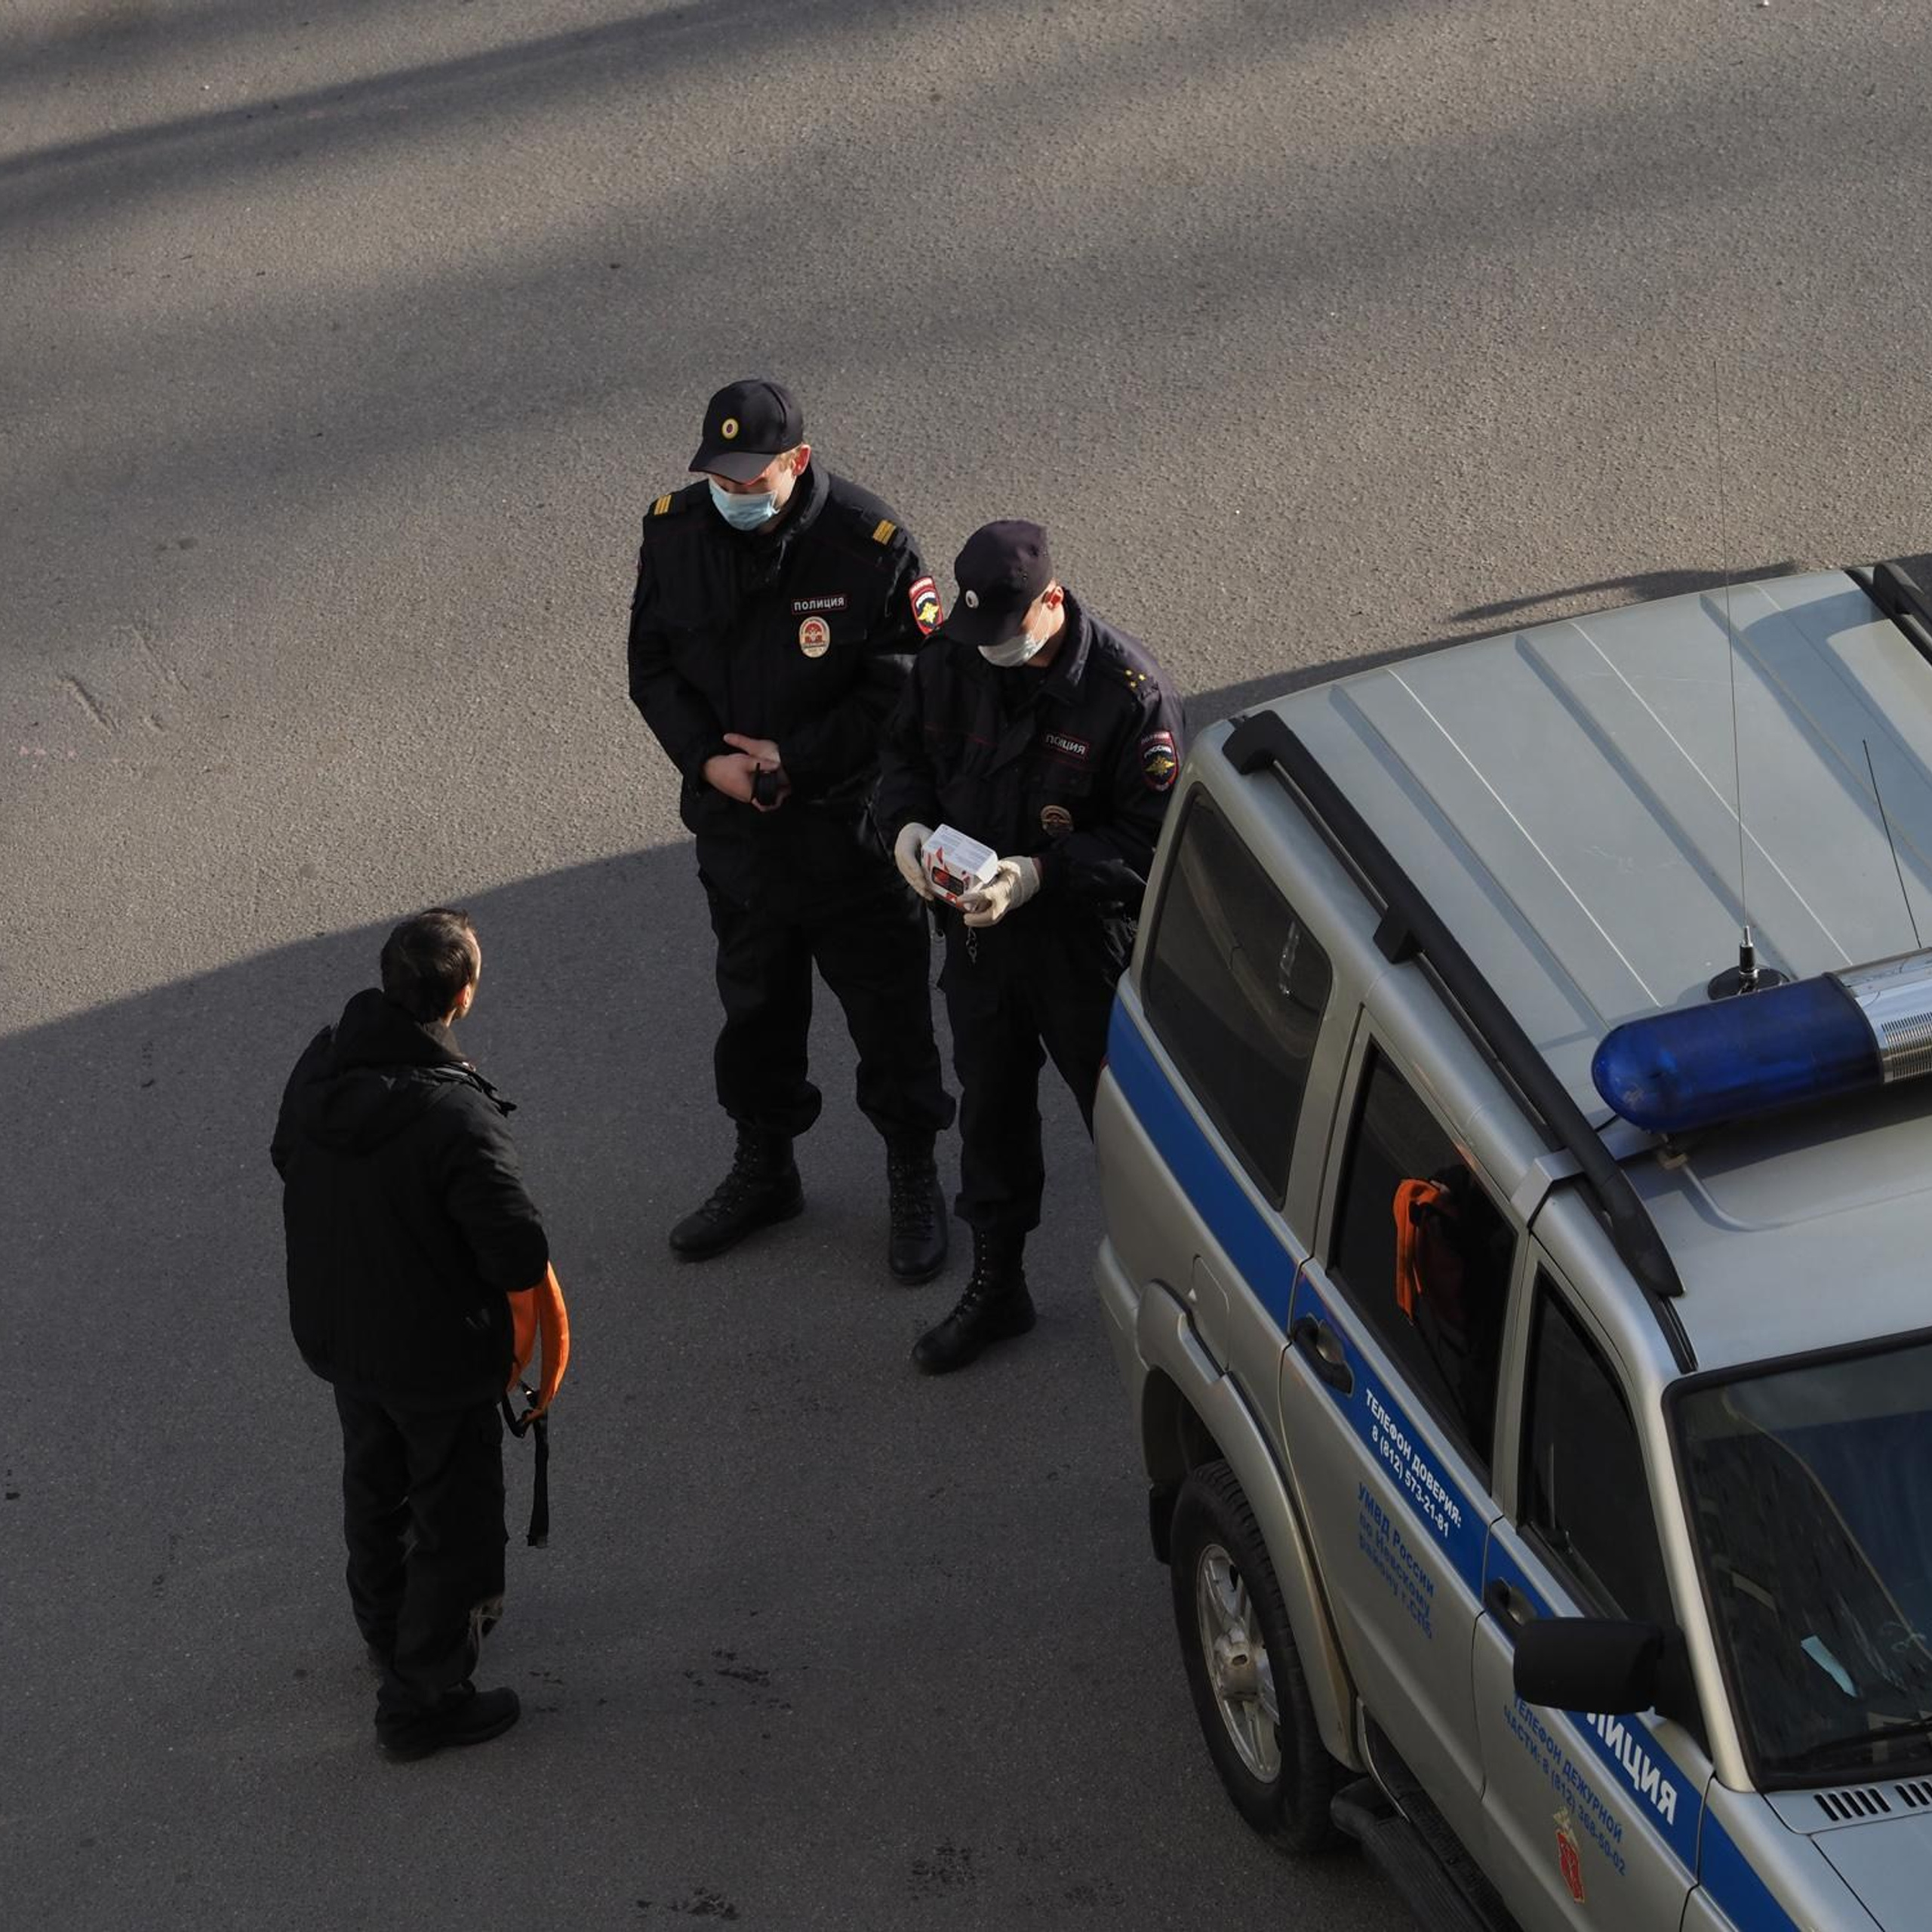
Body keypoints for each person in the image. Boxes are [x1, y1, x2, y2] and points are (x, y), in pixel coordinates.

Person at [627, 378, 954, 1282]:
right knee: (756, 1013)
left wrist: (796, 759)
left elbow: (904, 686)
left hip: (846, 831)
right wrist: (708, 760)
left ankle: (913, 1173)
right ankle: (765, 1167)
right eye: (719, 478)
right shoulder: (675, 532)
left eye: (751, 478)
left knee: (889, 1018)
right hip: (739, 838)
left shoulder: (869, 546)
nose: (733, 495)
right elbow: (651, 666)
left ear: (797, 462)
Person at [875, 520, 1186, 1373]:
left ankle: (1187, 1298)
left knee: (1128, 1131)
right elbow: (901, 754)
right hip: (980, 939)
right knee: (992, 1112)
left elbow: (1152, 839)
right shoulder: (959, 652)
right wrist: (902, 829)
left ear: (1050, 603)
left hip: (1084, 948)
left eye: (1005, 636)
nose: (989, 652)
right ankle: (998, 1284)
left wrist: (1042, 874)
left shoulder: (1129, 695)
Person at [271, 908, 550, 1760]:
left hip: (341, 1334)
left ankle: (387, 1628)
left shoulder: (320, 1066)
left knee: (374, 1480)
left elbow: (289, 1156)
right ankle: (423, 1699)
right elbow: (515, 1251)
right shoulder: (454, 1117)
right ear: (460, 997)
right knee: (453, 1515)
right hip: (436, 1352)